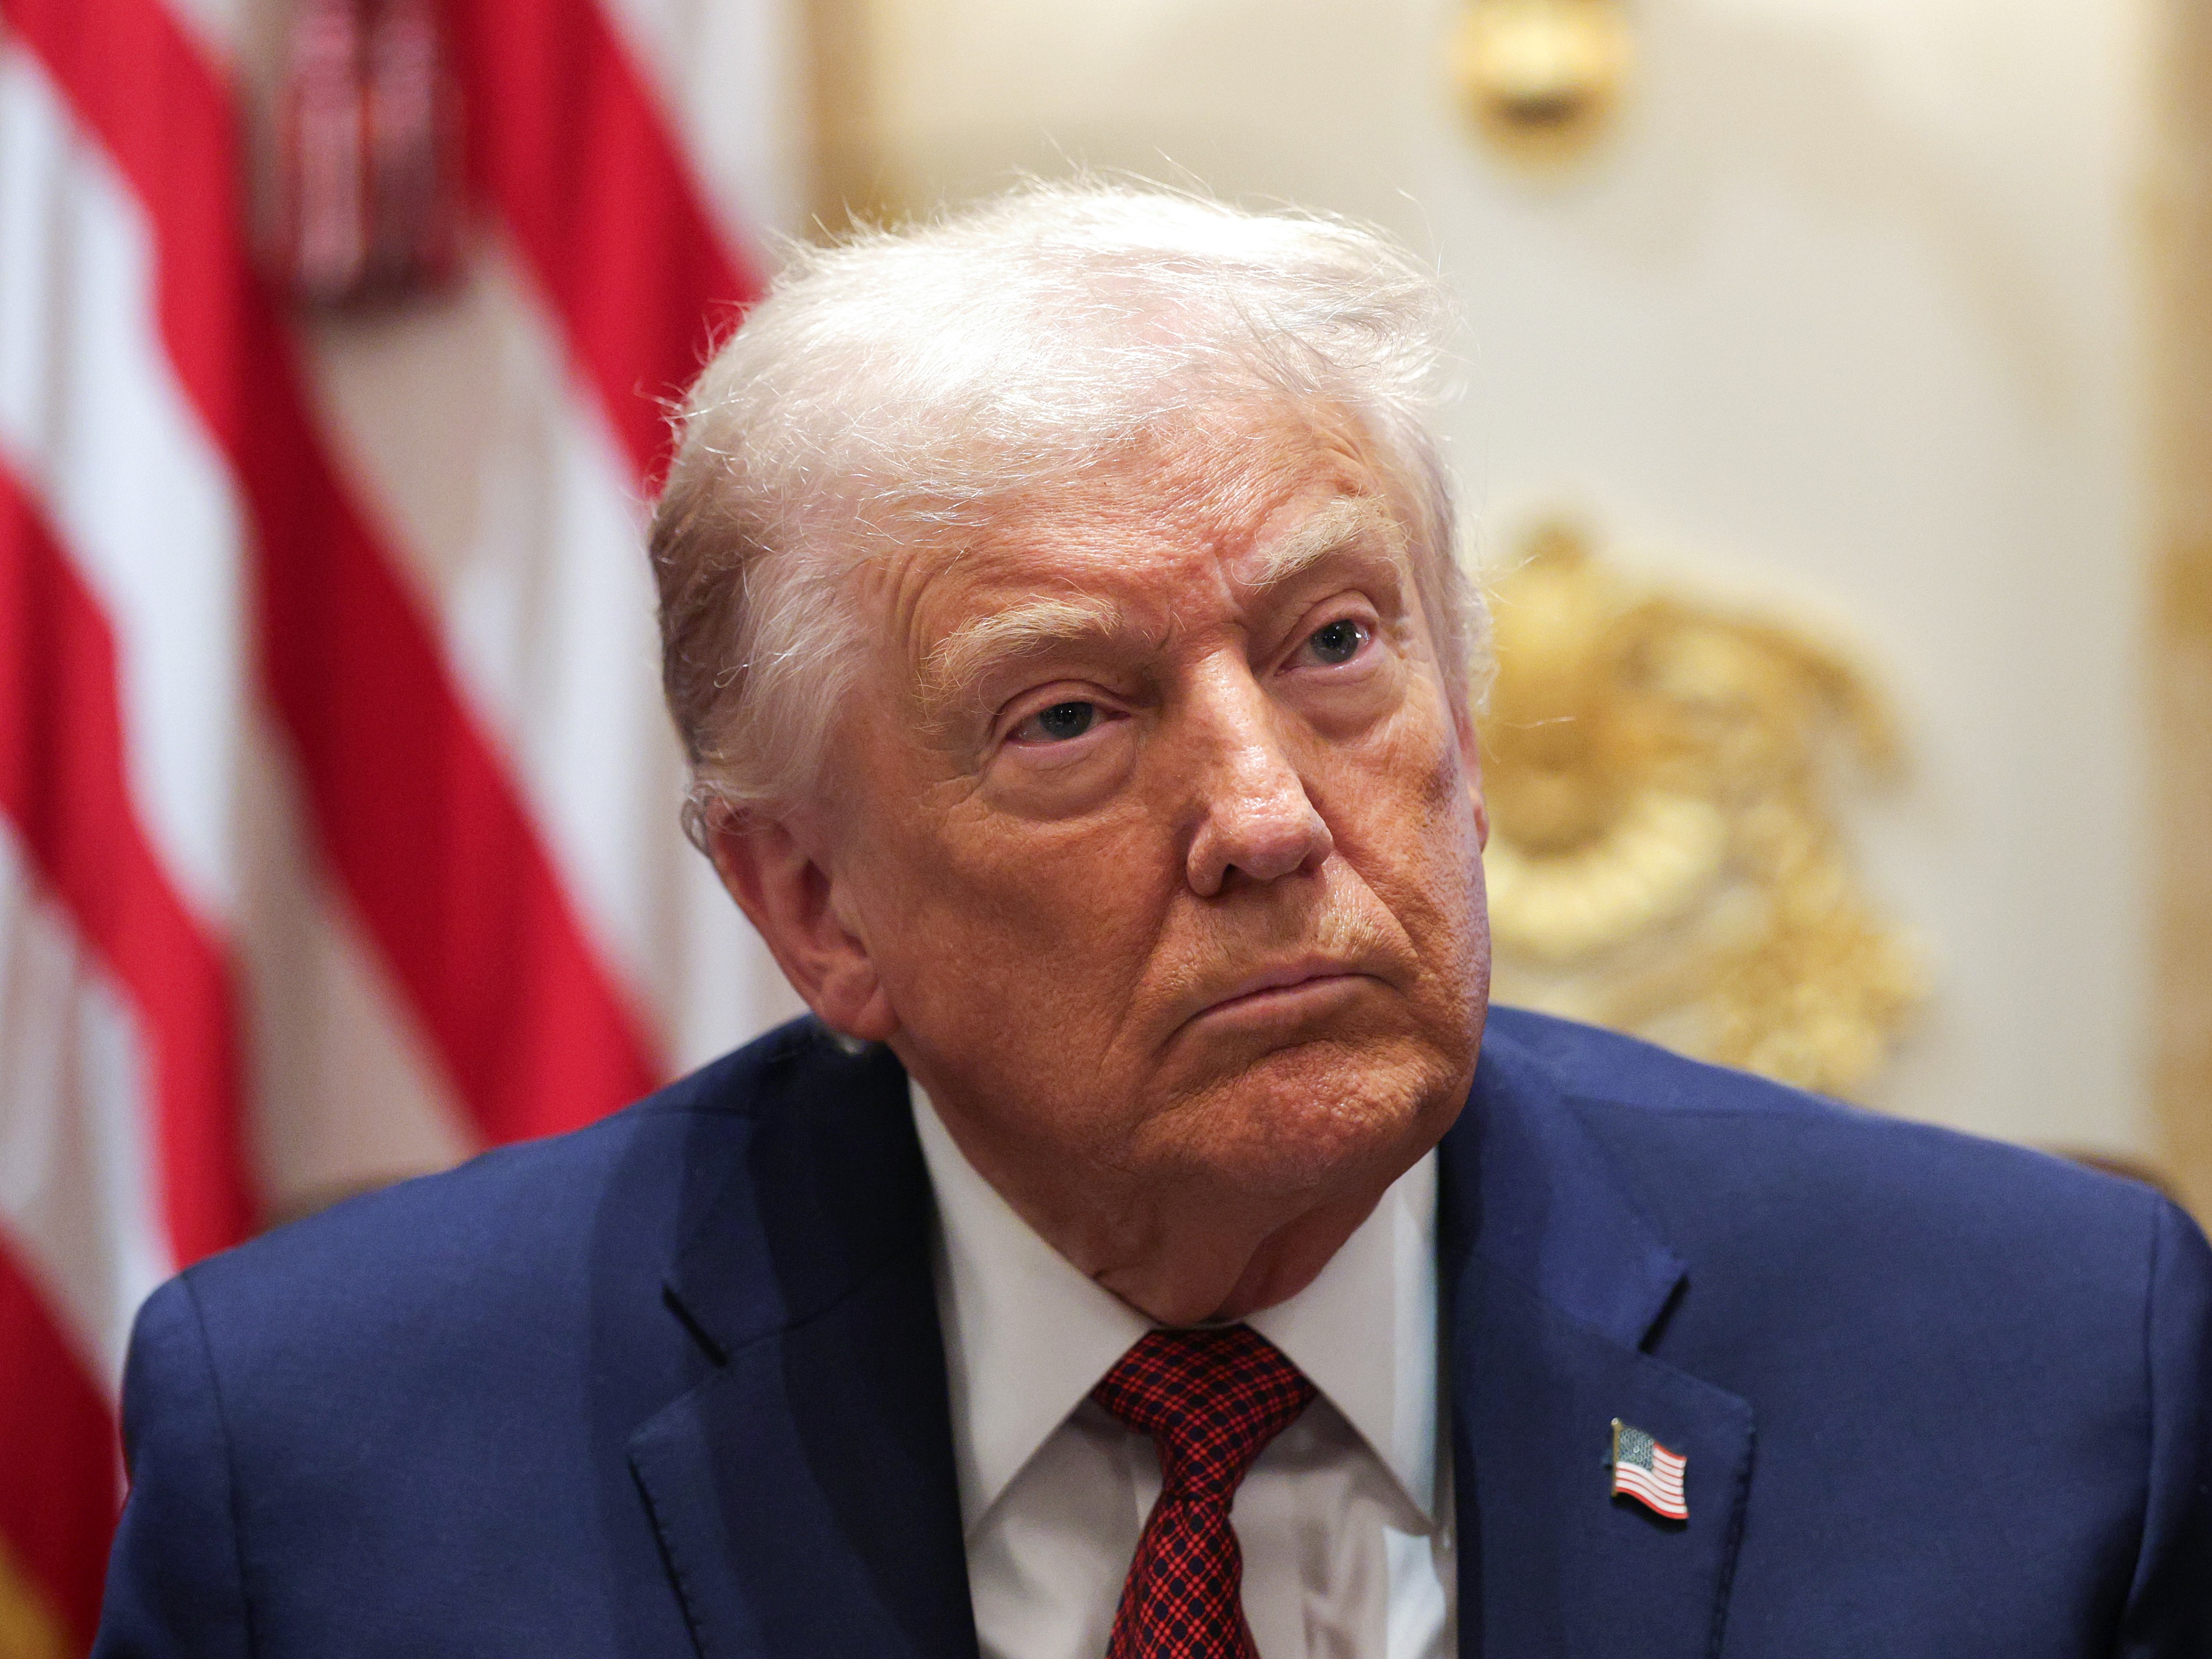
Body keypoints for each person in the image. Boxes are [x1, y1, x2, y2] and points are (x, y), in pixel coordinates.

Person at [96, 186, 2210, 1659]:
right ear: (811, 902)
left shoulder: (2040, 1376)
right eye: (1071, 714)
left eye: (1337, 640)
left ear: (1465, 718)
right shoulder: (337, 1463)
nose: (1271, 814)